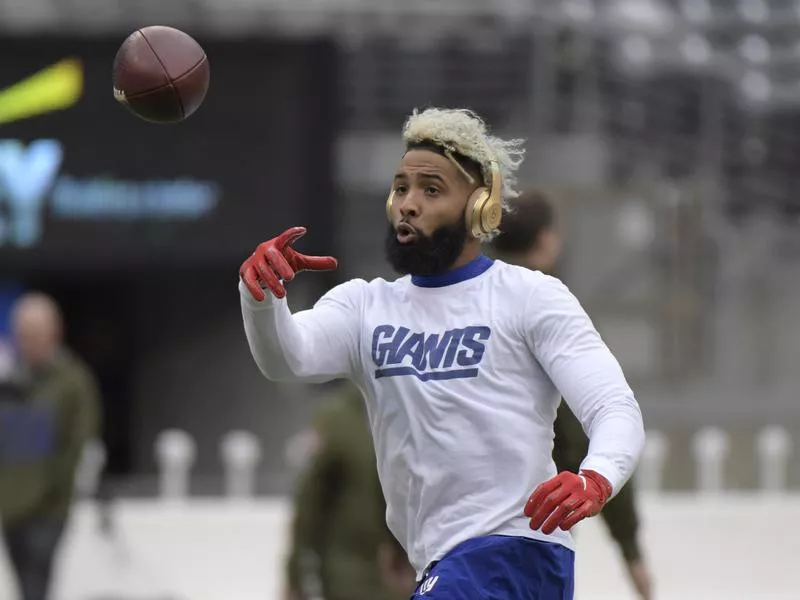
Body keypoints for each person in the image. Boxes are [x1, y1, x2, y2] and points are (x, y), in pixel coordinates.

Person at [239, 107, 645, 599]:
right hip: (440, 561)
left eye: (431, 190)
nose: (409, 203)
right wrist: (262, 299)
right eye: (402, 187)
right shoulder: (366, 305)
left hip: (515, 553)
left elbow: (614, 407)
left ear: (480, 208)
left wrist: (596, 477)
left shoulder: (530, 297)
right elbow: (288, 359)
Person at [489, 190, 653, 600]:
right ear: (547, 241)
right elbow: (585, 436)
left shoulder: (455, 305)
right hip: (524, 530)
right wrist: (631, 549)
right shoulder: (550, 312)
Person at [0, 292, 102, 600]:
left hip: (49, 508)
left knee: (36, 583)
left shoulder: (72, 382)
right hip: (11, 506)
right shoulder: (9, 383)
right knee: (24, 584)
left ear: (53, 334)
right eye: (22, 334)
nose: (27, 342)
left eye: (34, 334)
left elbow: (80, 442)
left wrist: (56, 491)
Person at [284, 384, 415, 600]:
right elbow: (308, 503)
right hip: (350, 575)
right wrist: (295, 577)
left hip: (403, 574)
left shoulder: (411, 411)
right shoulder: (337, 419)